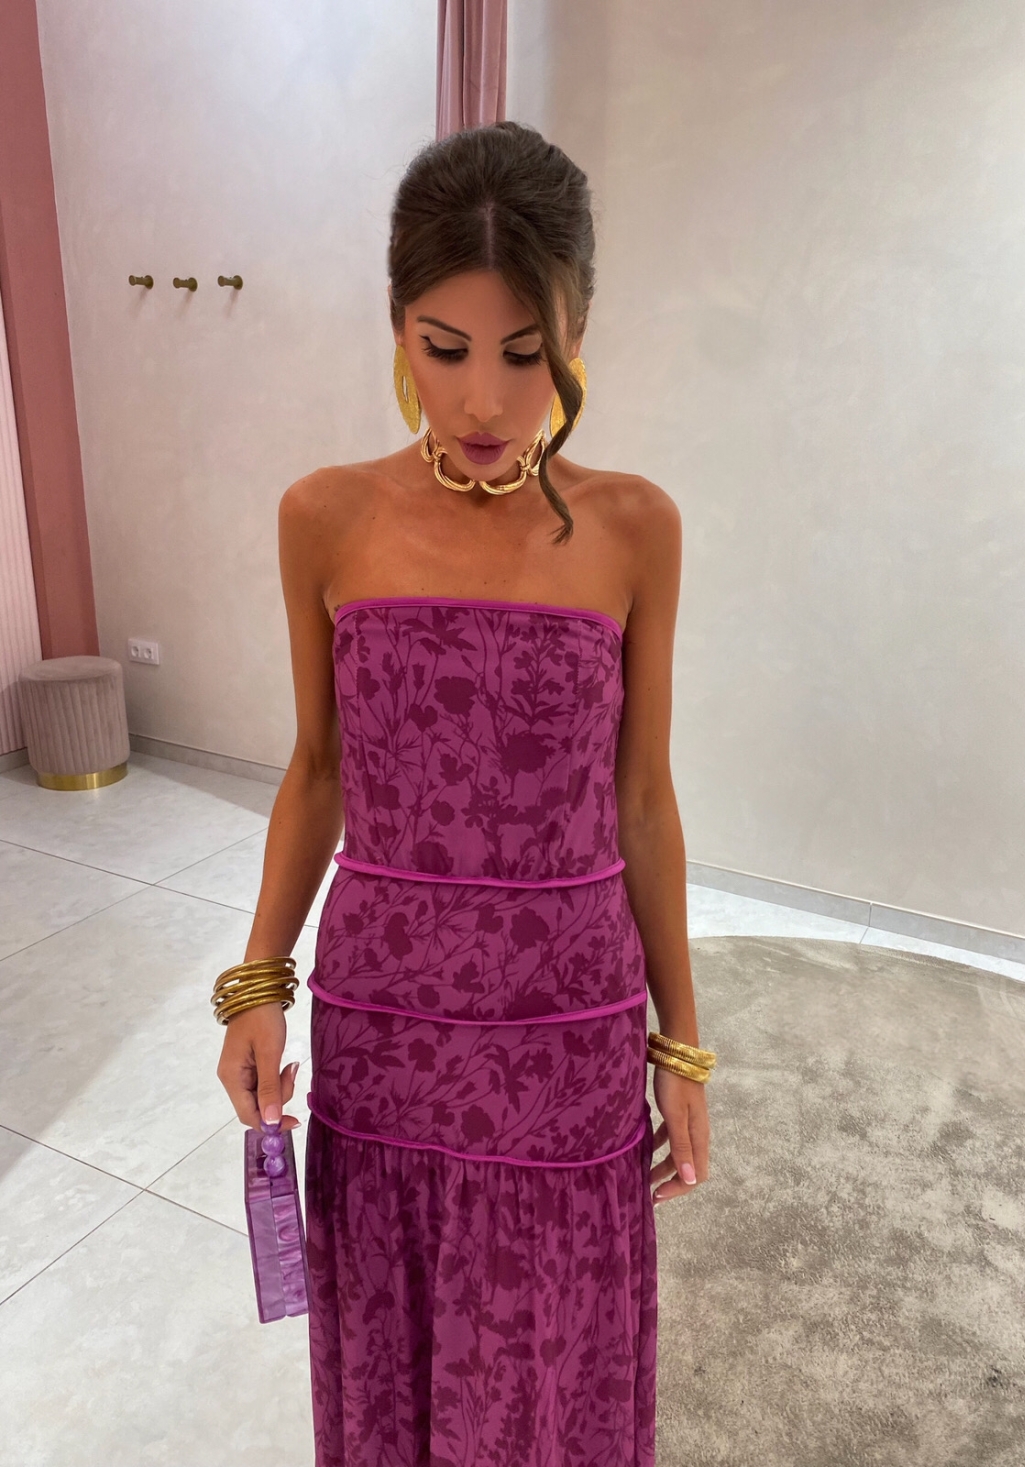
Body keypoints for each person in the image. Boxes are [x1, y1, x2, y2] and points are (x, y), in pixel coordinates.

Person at [216, 120, 714, 1467]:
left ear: (575, 335)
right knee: (397, 1348)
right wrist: (256, 983)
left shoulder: (635, 528)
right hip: (385, 1022)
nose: (485, 400)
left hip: (568, 1019)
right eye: (446, 350)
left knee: (546, 1363)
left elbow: (645, 802)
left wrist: (680, 1046)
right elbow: (319, 769)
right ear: (398, 327)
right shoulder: (323, 516)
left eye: (523, 353)